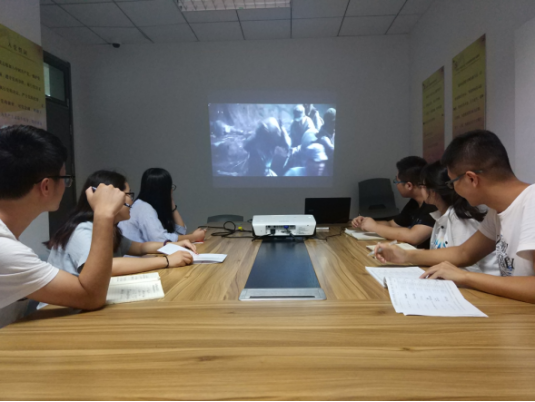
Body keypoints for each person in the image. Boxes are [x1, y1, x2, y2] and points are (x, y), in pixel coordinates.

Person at [375, 131, 535, 304]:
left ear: (471, 179)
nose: (453, 189)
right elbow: (464, 253)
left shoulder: (531, 203)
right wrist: (406, 256)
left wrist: (465, 276)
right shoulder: (497, 211)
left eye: (453, 182)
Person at [0, 126, 127, 328]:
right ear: (46, 186)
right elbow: (90, 296)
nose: (66, 186)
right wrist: (103, 213)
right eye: (64, 179)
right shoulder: (6, 251)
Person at [47, 170, 196, 279]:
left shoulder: (110, 227)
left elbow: (140, 247)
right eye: (128, 194)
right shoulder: (83, 229)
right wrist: (167, 260)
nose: (131, 200)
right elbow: (108, 267)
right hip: (63, 309)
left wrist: (175, 245)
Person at [374, 161, 498, 275]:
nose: (420, 190)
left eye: (422, 186)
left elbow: (468, 267)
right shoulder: (440, 216)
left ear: (433, 191)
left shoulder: (461, 219)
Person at [352, 156, 437, 248]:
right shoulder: (414, 202)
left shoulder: (433, 204)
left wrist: (374, 227)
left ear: (409, 185)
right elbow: (392, 224)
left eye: (396, 181)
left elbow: (413, 236)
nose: (396, 184)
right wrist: (365, 222)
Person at [119, 168, 206, 244]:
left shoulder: (150, 205)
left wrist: (171, 202)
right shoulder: (143, 207)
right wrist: (193, 237)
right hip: (136, 257)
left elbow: (181, 232)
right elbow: (160, 240)